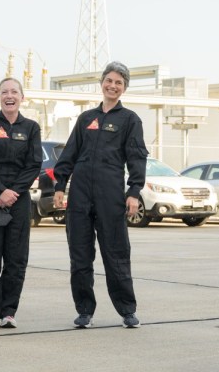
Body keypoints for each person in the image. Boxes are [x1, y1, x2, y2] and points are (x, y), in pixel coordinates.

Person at [53, 61, 148, 329]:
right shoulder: (86, 119)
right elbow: (69, 153)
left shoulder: (130, 120)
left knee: (116, 254)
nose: (113, 86)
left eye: (119, 82)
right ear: (102, 83)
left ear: (124, 88)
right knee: (80, 257)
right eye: (109, 80)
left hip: (110, 197)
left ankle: (127, 310)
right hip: (80, 197)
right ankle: (84, 311)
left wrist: (133, 192)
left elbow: (136, 157)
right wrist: (60, 185)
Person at [0, 78, 42, 329]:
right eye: (4, 92)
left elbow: (33, 164)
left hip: (19, 200)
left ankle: (9, 311)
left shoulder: (32, 128)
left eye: (14, 92)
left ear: (22, 97)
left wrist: (13, 191)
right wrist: (0, 191)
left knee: (16, 257)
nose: (9, 96)